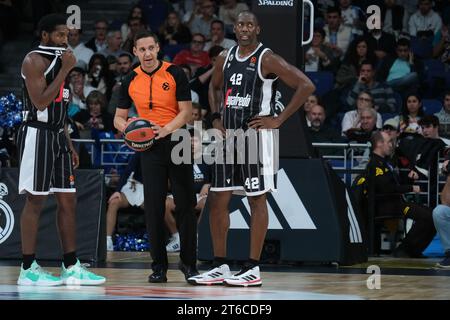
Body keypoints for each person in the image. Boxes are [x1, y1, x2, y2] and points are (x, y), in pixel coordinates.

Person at [188, 11, 315, 287]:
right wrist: (215, 117)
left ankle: (252, 268)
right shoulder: (225, 56)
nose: (244, 28)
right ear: (235, 28)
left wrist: (278, 119)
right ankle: (220, 265)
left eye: (249, 25)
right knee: (217, 200)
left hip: (256, 140)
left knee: (257, 200)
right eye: (240, 24)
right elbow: (214, 87)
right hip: (228, 140)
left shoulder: (267, 58)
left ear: (257, 28)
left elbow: (306, 85)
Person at [16, 14, 105, 286]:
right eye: (59, 35)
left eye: (67, 35)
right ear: (45, 36)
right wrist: (66, 70)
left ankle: (70, 266)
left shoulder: (61, 60)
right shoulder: (33, 60)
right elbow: (41, 102)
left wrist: (69, 144)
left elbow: (60, 111)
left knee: (68, 200)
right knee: (35, 201)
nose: (65, 40)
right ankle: (28, 268)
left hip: (57, 136)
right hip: (37, 134)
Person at [114, 30, 198, 283]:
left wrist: (166, 129)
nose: (147, 53)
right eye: (142, 49)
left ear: (158, 48)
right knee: (153, 206)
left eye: (151, 48)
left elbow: (186, 112)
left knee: (185, 203)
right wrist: (128, 128)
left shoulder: (175, 73)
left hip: (177, 140)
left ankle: (189, 264)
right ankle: (158, 267)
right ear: (136, 52)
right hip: (148, 145)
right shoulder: (130, 79)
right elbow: (118, 117)